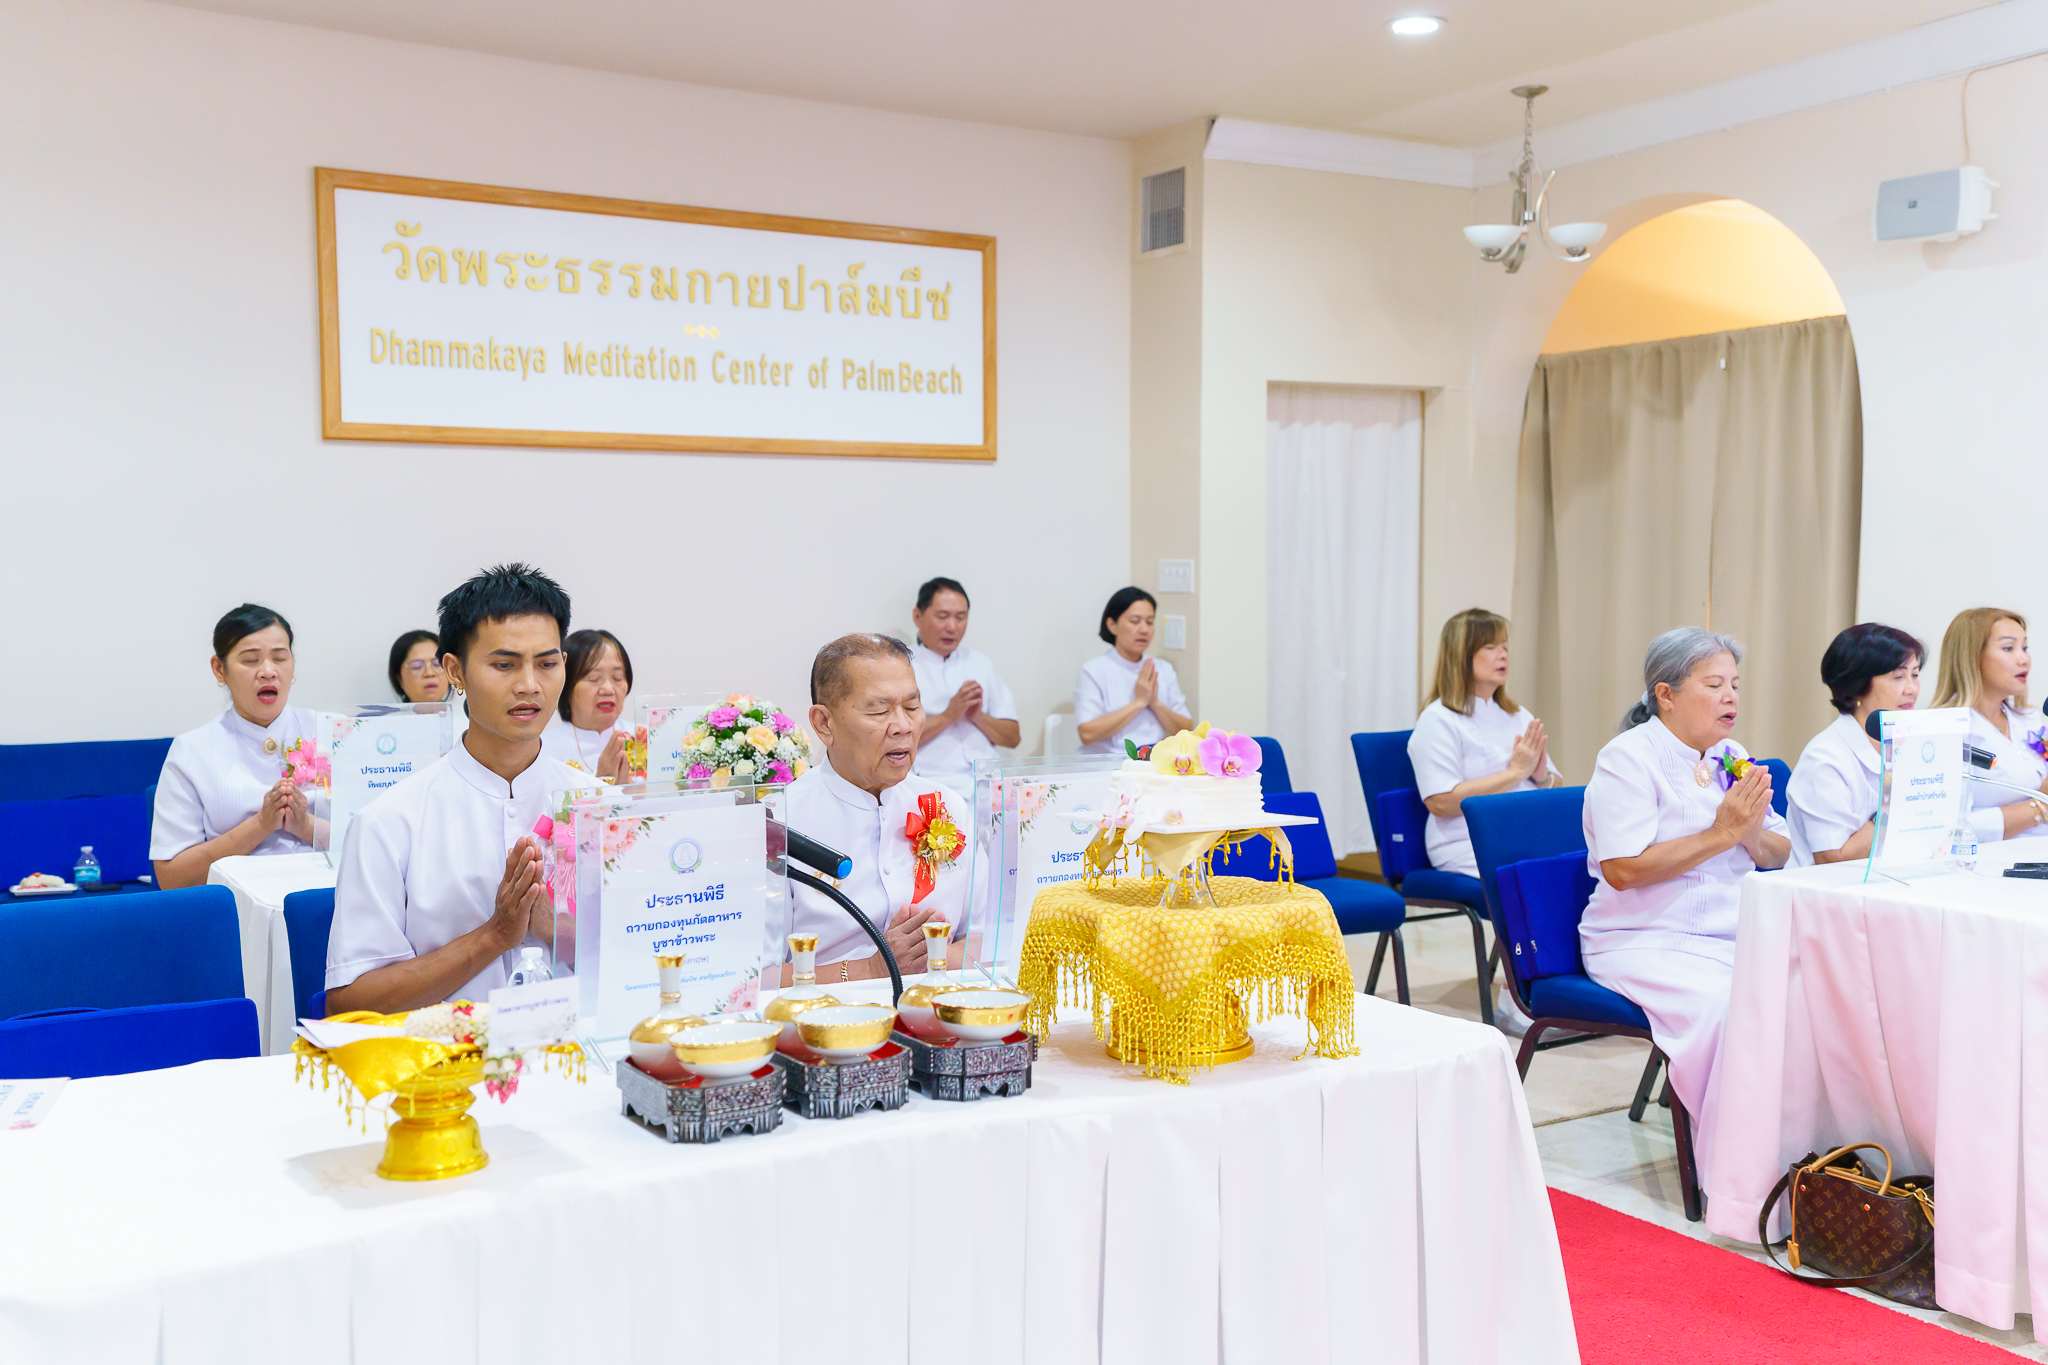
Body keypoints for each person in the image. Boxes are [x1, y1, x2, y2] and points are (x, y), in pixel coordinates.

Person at [325, 564, 618, 1014]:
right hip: (445, 1055)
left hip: (585, 1047)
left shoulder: (603, 808)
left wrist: (556, 931)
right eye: (504, 665)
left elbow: (653, 961)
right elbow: (351, 1003)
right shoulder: (390, 822)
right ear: (455, 671)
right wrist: (493, 936)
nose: (529, 685)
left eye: (546, 664)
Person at [1580, 627, 1790, 1189]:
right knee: (1728, 1009)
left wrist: (1747, 833)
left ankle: (1809, 1163)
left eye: (1735, 685)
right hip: (1643, 939)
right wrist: (1722, 834)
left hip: (1733, 934)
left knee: (1807, 996)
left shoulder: (1731, 756)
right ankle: (1741, 1180)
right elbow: (1623, 870)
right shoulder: (1628, 759)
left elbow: (1780, 851)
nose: (1731, 697)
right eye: (1714, 685)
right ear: (1666, 694)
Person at [778, 634, 970, 983]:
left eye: (912, 707)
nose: (903, 726)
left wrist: (934, 957)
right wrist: (872, 970)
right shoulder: (779, 822)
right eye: (880, 711)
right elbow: (752, 977)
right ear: (824, 724)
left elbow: (989, 938)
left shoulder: (948, 806)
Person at [151, 604, 326, 889]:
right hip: (238, 905)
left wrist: (305, 825)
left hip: (327, 899)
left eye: (280, 658)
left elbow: (377, 839)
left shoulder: (331, 731)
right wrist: (261, 825)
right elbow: (173, 878)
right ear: (219, 669)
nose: (268, 672)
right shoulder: (192, 750)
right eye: (251, 660)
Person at [1409, 608, 1561, 877]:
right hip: (1466, 841)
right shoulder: (1438, 719)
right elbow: (1441, 802)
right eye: (1491, 647)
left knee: (1584, 863)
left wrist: (1540, 776)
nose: (1503, 655)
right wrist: (1516, 773)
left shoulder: (1518, 715)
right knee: (1542, 877)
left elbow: (1556, 786)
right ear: (1461, 655)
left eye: (1505, 647)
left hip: (1523, 832)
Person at [1785, 623, 1924, 866]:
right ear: (1858, 686)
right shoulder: (1824, 759)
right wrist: (1900, 803)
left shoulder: (1912, 745)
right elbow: (1832, 858)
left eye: (1915, 675)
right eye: (1898, 677)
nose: (1912, 689)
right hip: (1827, 886)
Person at [1930, 607, 2048, 845]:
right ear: (1972, 657)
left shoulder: (2029, 718)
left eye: (2025, 648)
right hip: (1989, 860)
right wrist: (2039, 807)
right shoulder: (1946, 728)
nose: (2024, 659)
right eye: (2008, 648)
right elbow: (1946, 829)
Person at [908, 577, 1019, 790]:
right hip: (932, 784)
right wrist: (948, 716)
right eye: (942, 616)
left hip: (990, 783)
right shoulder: (902, 666)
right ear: (917, 616)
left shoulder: (980, 663)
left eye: (961, 617)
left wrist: (978, 717)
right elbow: (891, 742)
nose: (952, 627)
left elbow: (1013, 738)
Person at [1074, 587, 1191, 754]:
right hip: (1105, 764)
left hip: (1153, 762)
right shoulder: (1093, 671)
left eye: (1149, 622)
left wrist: (1155, 704)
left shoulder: (1163, 669)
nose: (1144, 630)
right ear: (1112, 625)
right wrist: (1139, 702)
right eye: (1135, 621)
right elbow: (1087, 734)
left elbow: (1186, 729)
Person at [540, 628, 634, 778]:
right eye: (593, 678)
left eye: (617, 678)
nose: (608, 689)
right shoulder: (542, 750)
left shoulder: (647, 739)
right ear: (566, 685)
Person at [388, 629, 449, 703]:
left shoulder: (460, 710)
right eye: (417, 666)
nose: (429, 673)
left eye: (437, 664)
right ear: (399, 678)